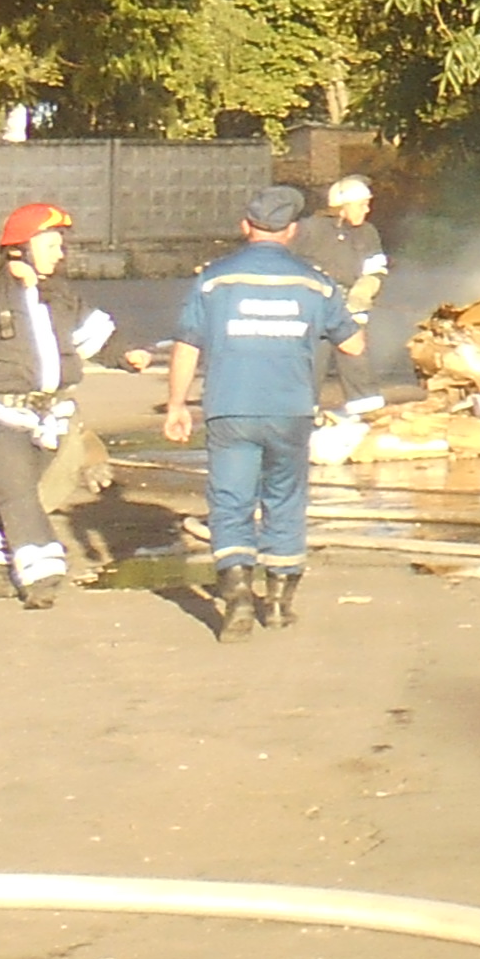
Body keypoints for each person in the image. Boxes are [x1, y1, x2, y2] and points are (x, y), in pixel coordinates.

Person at [164, 182, 356, 638]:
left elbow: (187, 345)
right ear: (291, 231)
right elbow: (353, 344)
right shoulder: (315, 282)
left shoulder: (214, 280)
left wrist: (176, 404)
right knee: (284, 500)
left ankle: (237, 602)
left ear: (245, 226)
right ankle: (278, 604)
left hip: (230, 409)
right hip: (290, 411)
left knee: (231, 502)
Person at [0, 198, 110, 607]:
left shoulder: (59, 295)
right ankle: (44, 575)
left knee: (23, 497)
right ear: (19, 248)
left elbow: (93, 337)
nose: (61, 253)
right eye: (52, 244)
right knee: (18, 493)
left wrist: (129, 356)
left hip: (50, 417)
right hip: (2, 415)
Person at [299, 167, 390, 408]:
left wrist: (363, 293)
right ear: (342, 206)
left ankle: (366, 415)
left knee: (358, 366)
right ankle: (303, 420)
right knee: (309, 369)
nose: (367, 210)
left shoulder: (368, 233)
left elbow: (376, 270)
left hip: (349, 312)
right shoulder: (309, 229)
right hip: (313, 313)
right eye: (362, 204)